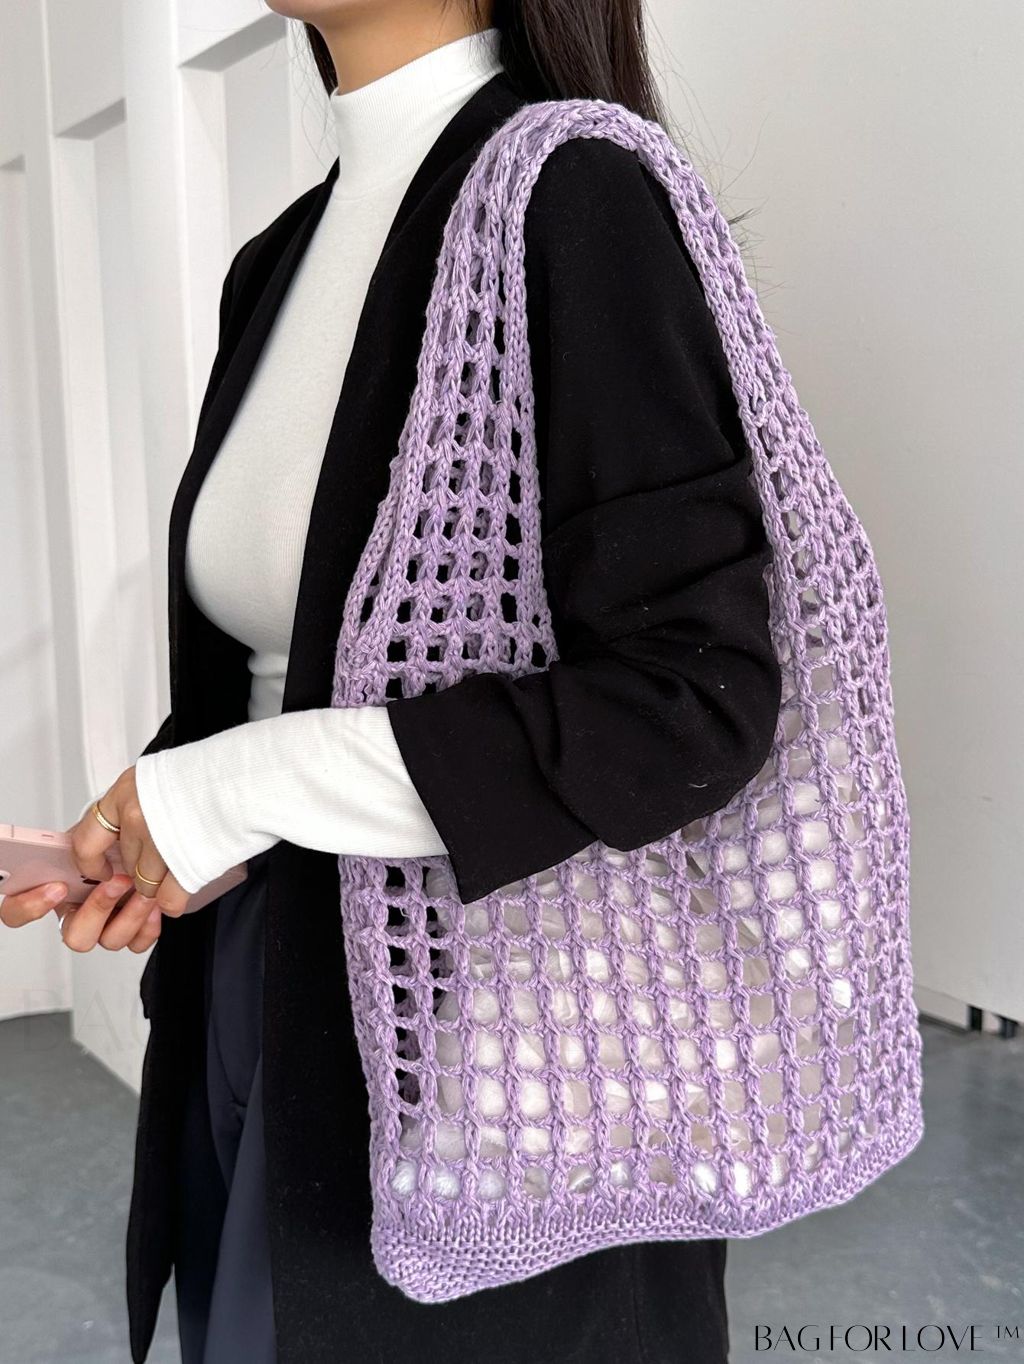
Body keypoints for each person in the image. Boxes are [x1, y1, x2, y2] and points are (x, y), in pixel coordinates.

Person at [2, 3, 782, 1360]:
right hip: (262, 979)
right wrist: (162, 831)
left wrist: (241, 788)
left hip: (497, 1043)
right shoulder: (278, 260)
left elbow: (692, 703)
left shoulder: (575, 196)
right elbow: (284, 673)